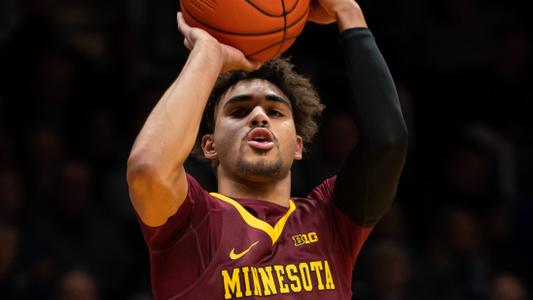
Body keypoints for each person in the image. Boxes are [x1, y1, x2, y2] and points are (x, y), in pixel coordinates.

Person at [126, 0, 408, 299]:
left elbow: (387, 142)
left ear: (298, 145)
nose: (259, 116)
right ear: (209, 145)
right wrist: (209, 54)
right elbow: (148, 167)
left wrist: (348, 13)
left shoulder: (329, 220)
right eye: (238, 111)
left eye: (275, 112)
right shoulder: (191, 221)